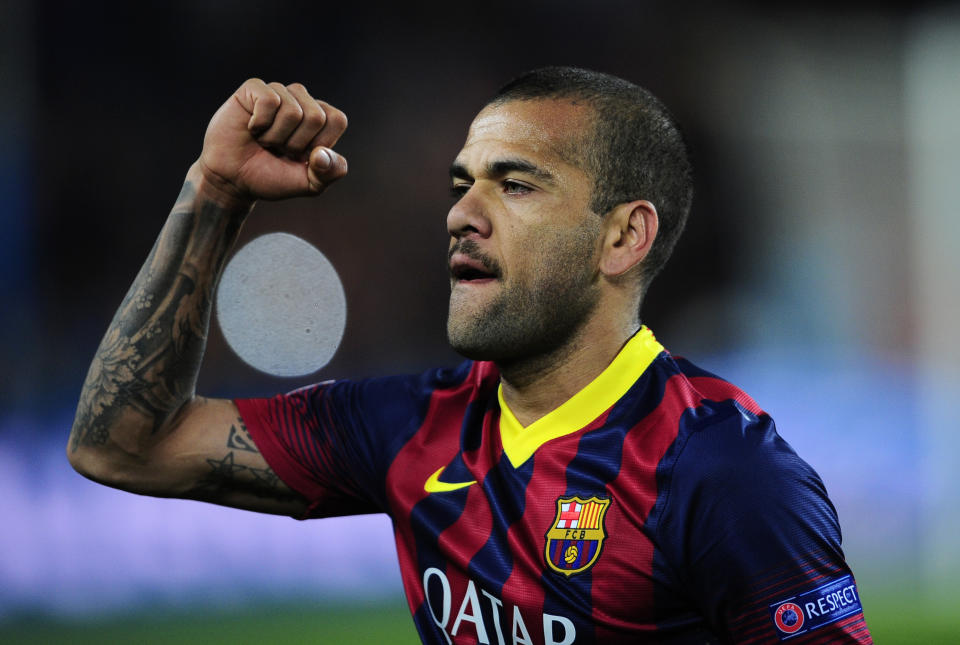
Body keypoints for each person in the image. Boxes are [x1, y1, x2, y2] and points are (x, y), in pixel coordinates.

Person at [68, 67, 872, 644]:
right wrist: (216, 189)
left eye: (515, 185)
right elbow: (121, 445)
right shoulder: (407, 428)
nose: (461, 214)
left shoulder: (723, 472)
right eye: (462, 183)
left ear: (624, 236)